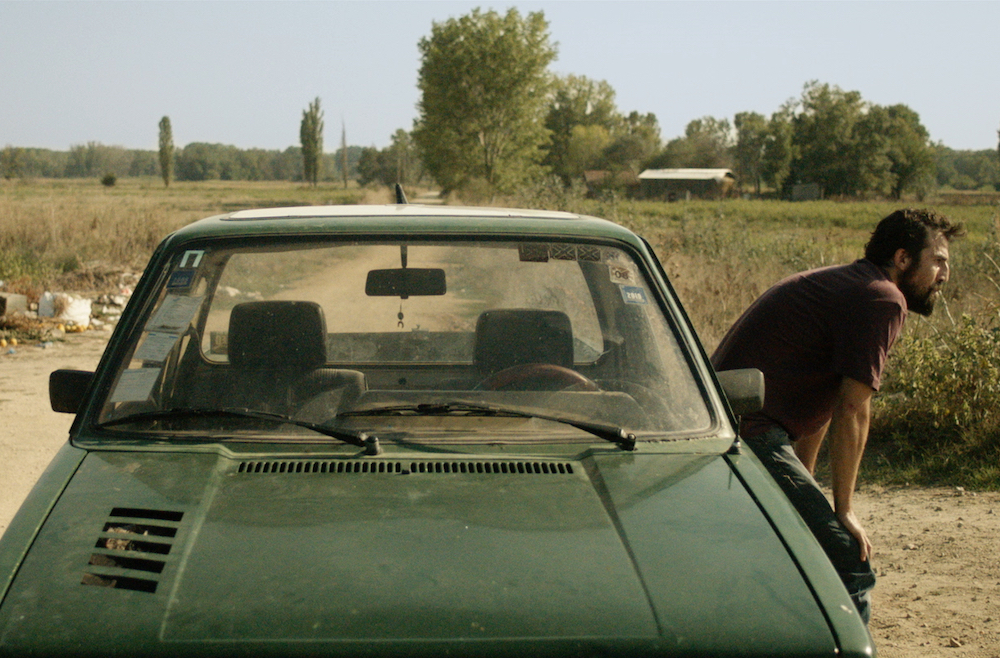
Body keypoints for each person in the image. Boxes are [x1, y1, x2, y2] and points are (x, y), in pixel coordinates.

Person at [711, 208, 964, 624]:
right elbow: (852, 409)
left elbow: (823, 398)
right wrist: (843, 510)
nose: (945, 274)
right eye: (938, 260)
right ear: (902, 259)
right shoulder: (882, 298)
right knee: (848, 561)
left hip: (733, 429)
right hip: (748, 432)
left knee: (799, 550)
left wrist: (805, 479)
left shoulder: (851, 284)